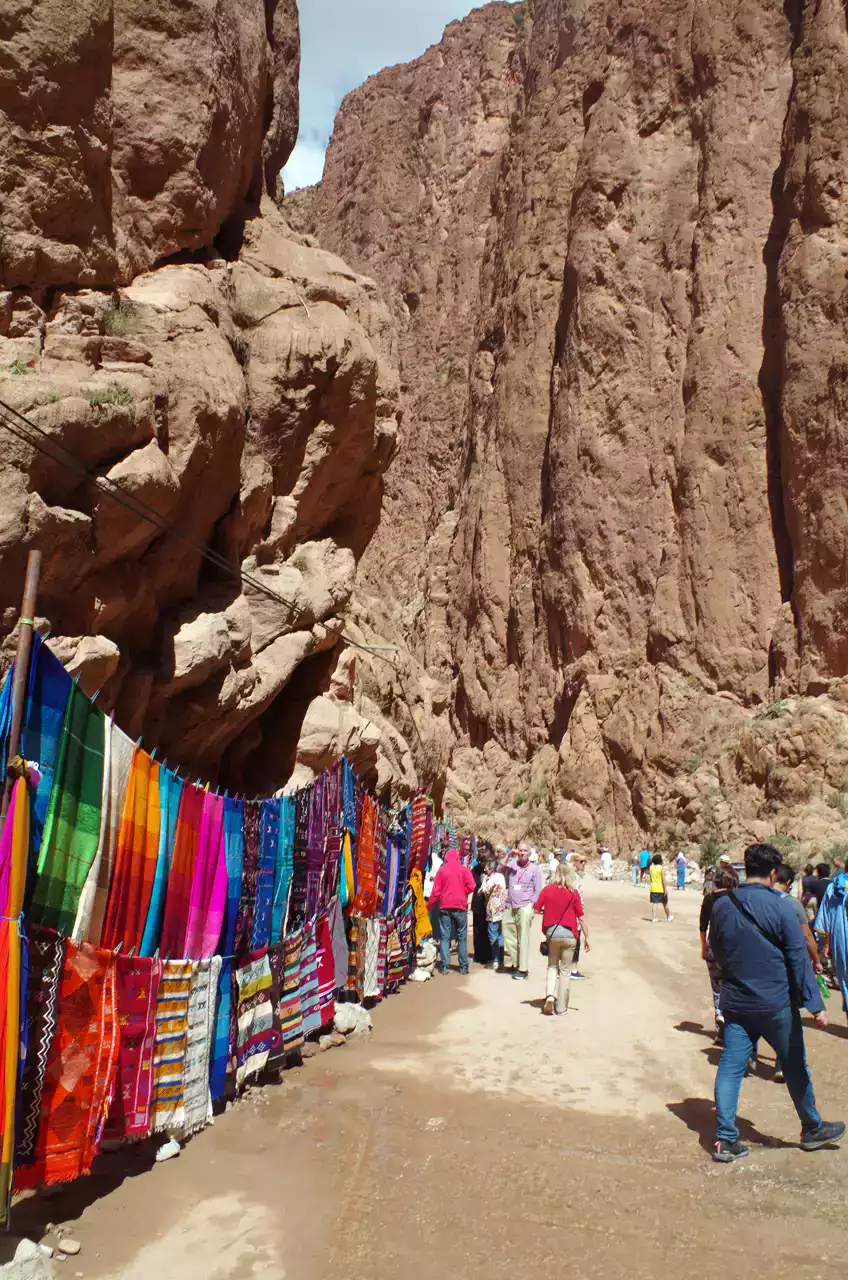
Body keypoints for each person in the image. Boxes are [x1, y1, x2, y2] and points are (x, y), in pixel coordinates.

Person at [708, 842, 844, 1163]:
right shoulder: (782, 907)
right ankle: (812, 1128)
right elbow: (798, 959)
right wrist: (815, 1005)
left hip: (736, 1002)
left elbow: (716, 948)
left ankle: (726, 1140)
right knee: (794, 1065)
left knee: (731, 1067)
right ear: (773, 873)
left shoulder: (722, 905)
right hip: (776, 1003)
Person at [534, 861, 590, 1015]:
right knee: (565, 971)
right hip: (570, 934)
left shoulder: (547, 890)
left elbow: (537, 908)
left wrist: (547, 912)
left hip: (552, 933)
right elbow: (581, 917)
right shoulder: (573, 893)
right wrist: (586, 937)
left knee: (552, 966)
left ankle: (550, 996)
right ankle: (561, 1008)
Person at [700, 866, 739, 1039]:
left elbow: (703, 926)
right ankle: (731, 1024)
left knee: (717, 987)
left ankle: (719, 1022)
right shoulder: (737, 898)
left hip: (713, 946)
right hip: (733, 947)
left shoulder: (709, 899)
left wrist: (703, 947)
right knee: (732, 985)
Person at [500, 841, 542, 980]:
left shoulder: (534, 869)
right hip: (510, 904)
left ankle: (522, 969)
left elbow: (538, 889)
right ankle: (516, 962)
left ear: (529, 853)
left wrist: (532, 905)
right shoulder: (512, 864)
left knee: (523, 937)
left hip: (525, 905)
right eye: (520, 850)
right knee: (508, 933)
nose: (522, 852)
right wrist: (508, 855)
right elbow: (499, 869)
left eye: (525, 850)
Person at [429, 849, 476, 975]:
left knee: (445, 937)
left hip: (445, 906)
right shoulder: (464, 870)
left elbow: (436, 891)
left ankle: (445, 966)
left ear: (446, 858)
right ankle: (463, 967)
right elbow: (472, 886)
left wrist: (429, 905)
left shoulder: (442, 871)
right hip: (460, 906)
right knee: (462, 937)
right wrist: (463, 892)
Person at [815, 864, 848, 1027]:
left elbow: (826, 920)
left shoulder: (834, 886)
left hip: (841, 940)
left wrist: (827, 946)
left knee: (846, 982)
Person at [480, 857, 507, 969]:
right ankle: (500, 959)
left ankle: (495, 960)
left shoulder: (492, 879)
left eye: (486, 869)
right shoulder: (501, 876)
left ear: (491, 869)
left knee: (493, 934)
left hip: (493, 909)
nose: (485, 870)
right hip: (502, 908)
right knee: (500, 935)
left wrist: (483, 880)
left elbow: (485, 890)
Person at [471, 841, 494, 965]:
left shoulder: (493, 871)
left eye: (484, 861)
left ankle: (489, 955)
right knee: (478, 930)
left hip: (490, 904)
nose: (482, 864)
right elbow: (472, 885)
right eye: (480, 861)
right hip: (478, 903)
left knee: (489, 929)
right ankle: (479, 955)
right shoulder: (475, 870)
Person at [648, 853, 673, 923]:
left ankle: (654, 918)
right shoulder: (661, 868)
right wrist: (665, 889)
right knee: (665, 903)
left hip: (653, 888)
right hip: (660, 888)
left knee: (655, 903)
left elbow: (651, 878)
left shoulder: (651, 868)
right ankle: (668, 916)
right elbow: (663, 880)